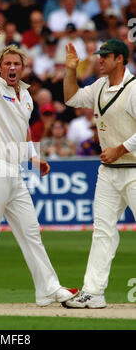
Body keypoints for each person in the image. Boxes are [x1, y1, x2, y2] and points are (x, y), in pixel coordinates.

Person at [0, 24, 78, 309]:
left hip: (15, 172)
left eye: (16, 64)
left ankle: (48, 289)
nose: (12, 67)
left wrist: (35, 158)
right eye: (7, 63)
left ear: (23, 68)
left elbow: (24, 133)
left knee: (31, 231)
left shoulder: (27, 96)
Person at [62, 39, 136, 308]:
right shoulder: (99, 86)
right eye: (99, 55)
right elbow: (71, 98)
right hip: (109, 172)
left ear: (120, 59)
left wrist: (119, 149)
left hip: (134, 170)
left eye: (106, 56)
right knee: (102, 231)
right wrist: (71, 70)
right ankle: (93, 292)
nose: (99, 59)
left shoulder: (134, 88)